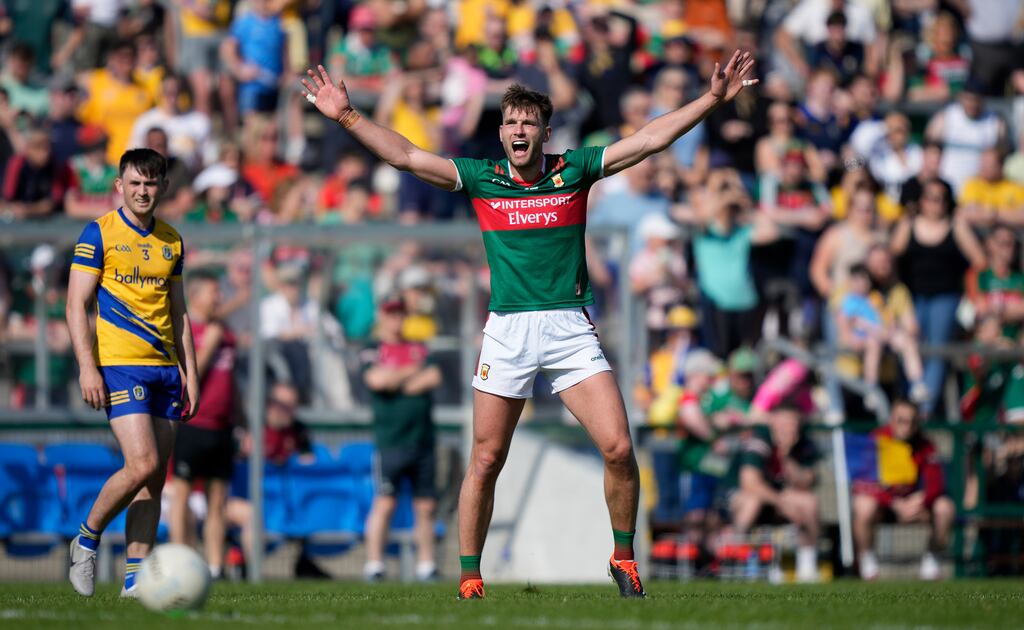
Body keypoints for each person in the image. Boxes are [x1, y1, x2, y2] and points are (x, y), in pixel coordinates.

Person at [302, 48, 758, 599]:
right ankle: (470, 577)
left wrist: (710, 99)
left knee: (617, 447)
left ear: (544, 132)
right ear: (500, 133)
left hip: (569, 328)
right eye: (512, 121)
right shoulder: (482, 178)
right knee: (487, 457)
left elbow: (649, 140)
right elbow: (406, 156)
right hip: (509, 330)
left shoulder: (575, 169)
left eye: (530, 122)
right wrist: (348, 117)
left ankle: (623, 558)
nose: (520, 129)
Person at [65, 148, 199, 598]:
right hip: (121, 365)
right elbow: (75, 304)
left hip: (165, 369)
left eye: (150, 183)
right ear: (119, 186)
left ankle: (134, 579)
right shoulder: (98, 232)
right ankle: (86, 537)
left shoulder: (172, 240)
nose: (142, 191)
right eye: (134, 183)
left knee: (154, 477)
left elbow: (178, 313)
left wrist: (190, 373)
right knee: (139, 464)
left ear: (162, 187)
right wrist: (88, 367)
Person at [360, 298, 442, 582]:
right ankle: (374, 565)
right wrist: (409, 372)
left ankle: (427, 565)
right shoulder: (373, 350)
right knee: (385, 503)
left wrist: (398, 381)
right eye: (391, 315)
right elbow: (378, 381)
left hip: (422, 439)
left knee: (426, 506)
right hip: (391, 441)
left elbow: (432, 377)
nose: (396, 321)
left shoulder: (418, 348)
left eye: (400, 315)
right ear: (382, 317)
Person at [168, 271, 237, 581]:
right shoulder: (187, 331)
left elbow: (231, 382)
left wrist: (243, 420)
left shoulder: (225, 333)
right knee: (182, 495)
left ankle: (214, 566)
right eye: (213, 292)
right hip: (191, 423)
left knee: (218, 499)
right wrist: (208, 344)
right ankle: (180, 560)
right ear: (194, 297)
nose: (218, 298)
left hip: (222, 428)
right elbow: (191, 376)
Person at [852, 399, 955, 581]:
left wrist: (920, 500)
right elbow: (862, 484)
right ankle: (867, 562)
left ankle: (931, 561)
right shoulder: (876, 439)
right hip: (884, 506)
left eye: (911, 422)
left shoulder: (926, 444)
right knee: (863, 505)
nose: (906, 427)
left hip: (915, 506)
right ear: (892, 419)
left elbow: (936, 483)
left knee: (945, 507)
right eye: (901, 421)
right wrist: (893, 502)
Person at [729, 404, 821, 583]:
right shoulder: (759, 440)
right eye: (785, 421)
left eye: (793, 422)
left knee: (809, 502)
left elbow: (807, 482)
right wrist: (782, 503)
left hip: (778, 499)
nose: (789, 427)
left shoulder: (803, 443)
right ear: (773, 421)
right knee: (752, 502)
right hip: (738, 498)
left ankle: (807, 566)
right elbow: (750, 483)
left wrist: (786, 456)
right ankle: (740, 561)